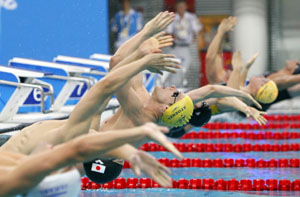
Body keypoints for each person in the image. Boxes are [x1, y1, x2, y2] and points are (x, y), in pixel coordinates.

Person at [1, 11, 181, 187]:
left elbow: (106, 85)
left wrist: (143, 57)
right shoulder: (85, 130)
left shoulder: (76, 135)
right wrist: (141, 54)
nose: (173, 88)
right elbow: (107, 83)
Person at [0, 123, 182, 196]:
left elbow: (78, 150)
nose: (55, 151)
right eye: (67, 165)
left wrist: (137, 136)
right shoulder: (18, 173)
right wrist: (128, 150)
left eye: (62, 166)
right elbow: (77, 149)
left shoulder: (9, 181)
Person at [205, 16, 279, 105]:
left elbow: (210, 58)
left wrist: (220, 32)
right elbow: (239, 85)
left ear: (259, 89)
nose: (262, 77)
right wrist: (246, 68)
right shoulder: (244, 94)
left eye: (264, 81)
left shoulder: (222, 81)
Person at [164, 0, 202, 88]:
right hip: (175, 47)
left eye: (183, 6)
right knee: (174, 68)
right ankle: (171, 88)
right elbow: (168, 32)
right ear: (176, 8)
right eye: (179, 7)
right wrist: (172, 38)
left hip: (186, 47)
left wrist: (197, 41)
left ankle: (183, 88)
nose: (181, 8)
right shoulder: (173, 18)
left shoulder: (191, 17)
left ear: (186, 7)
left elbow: (198, 31)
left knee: (186, 68)